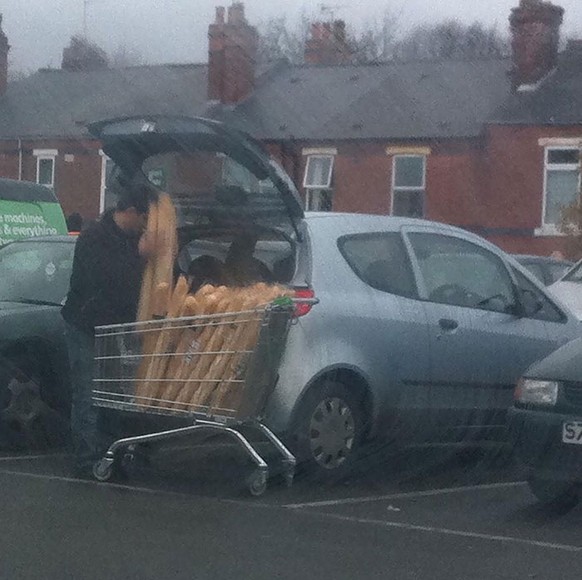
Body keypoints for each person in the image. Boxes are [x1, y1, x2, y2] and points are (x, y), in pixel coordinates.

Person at [61, 186, 152, 477]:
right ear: (131, 212)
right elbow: (105, 280)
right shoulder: (93, 237)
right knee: (87, 394)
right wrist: (140, 258)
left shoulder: (132, 240)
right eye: (144, 218)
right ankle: (86, 459)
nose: (146, 226)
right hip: (85, 326)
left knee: (112, 393)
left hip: (115, 329)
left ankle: (111, 451)